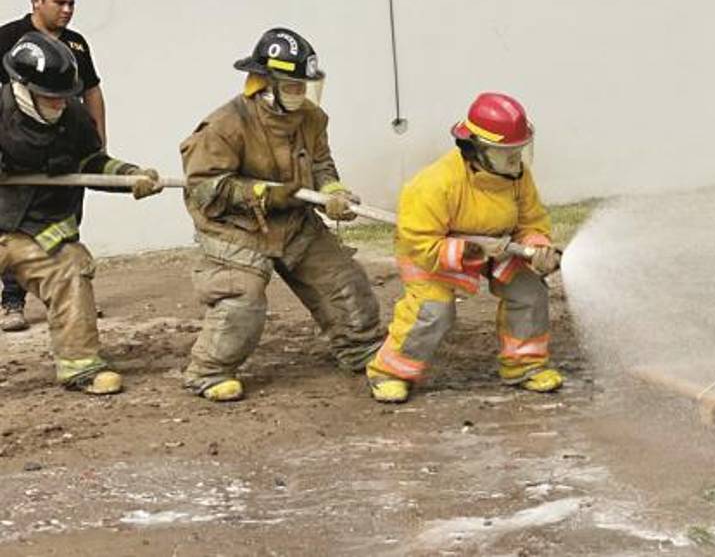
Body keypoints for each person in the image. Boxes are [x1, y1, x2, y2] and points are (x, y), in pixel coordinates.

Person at [178, 27, 384, 402]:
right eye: (292, 86)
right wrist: (262, 194)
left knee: (344, 283)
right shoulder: (224, 125)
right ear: (266, 84)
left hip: (294, 222)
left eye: (304, 86)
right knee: (241, 300)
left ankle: (361, 350)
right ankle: (209, 371)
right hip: (236, 229)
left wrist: (332, 192)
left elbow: (320, 162)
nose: (300, 94)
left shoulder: (311, 118)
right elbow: (203, 187)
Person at [366, 92, 563, 403]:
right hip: (433, 253)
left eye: (519, 150)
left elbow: (531, 221)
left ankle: (524, 366)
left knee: (529, 291)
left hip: (498, 245)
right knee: (433, 310)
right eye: (506, 152)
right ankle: (390, 372)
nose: (516, 159)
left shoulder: (517, 177)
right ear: (477, 148)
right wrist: (467, 251)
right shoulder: (435, 184)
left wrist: (538, 247)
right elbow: (419, 242)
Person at [0, 32, 162, 393]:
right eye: (51, 96)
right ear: (24, 88)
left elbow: (91, 161)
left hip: (38, 230)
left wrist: (129, 176)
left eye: (64, 95)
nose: (60, 103)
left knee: (71, 269)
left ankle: (80, 365)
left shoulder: (73, 115)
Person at [0, 0, 109, 332]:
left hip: (62, 152)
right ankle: (12, 301)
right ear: (36, 1)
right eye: (59, 2)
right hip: (17, 159)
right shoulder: (9, 38)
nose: (67, 10)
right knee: (15, 229)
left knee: (64, 227)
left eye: (71, 3)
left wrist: (98, 144)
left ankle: (68, 298)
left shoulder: (76, 45)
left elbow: (91, 90)